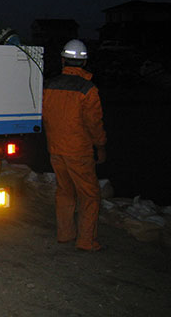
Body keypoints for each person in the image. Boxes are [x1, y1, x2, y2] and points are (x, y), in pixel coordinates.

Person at [42, 39, 107, 251]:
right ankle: (86, 241)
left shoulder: (49, 86)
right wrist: (101, 146)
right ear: (85, 62)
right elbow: (94, 124)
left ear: (63, 60)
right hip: (79, 152)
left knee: (65, 191)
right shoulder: (88, 90)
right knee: (89, 195)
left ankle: (65, 234)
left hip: (55, 150)